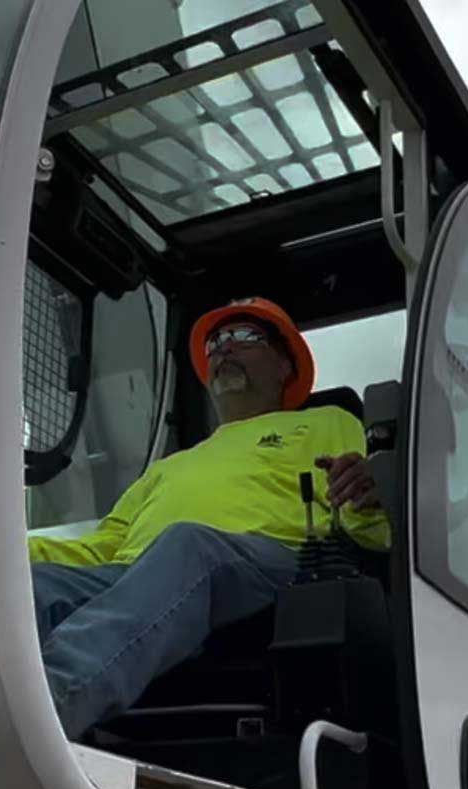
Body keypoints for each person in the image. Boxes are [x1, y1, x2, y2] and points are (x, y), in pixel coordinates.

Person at [30, 297, 388, 738]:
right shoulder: (168, 466)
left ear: (285, 366)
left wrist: (369, 496)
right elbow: (102, 547)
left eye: (244, 336)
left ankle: (44, 705)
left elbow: (359, 516)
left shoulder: (326, 422)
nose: (224, 348)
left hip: (274, 562)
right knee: (34, 583)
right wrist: (9, 550)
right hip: (140, 572)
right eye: (215, 343)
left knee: (189, 545)